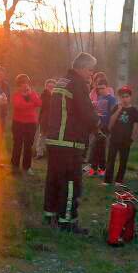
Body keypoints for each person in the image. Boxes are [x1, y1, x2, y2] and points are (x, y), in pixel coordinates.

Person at [43, 52, 99, 234]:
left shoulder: (62, 81)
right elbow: (87, 113)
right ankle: (67, 221)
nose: (91, 74)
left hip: (54, 140)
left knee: (53, 180)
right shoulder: (78, 84)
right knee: (70, 183)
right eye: (90, 70)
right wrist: (98, 123)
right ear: (81, 68)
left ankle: (50, 216)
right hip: (69, 142)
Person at [105, 86, 138, 185]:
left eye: (127, 96)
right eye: (122, 97)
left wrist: (132, 137)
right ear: (119, 98)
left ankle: (119, 180)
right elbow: (110, 124)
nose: (125, 99)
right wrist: (118, 110)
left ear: (130, 97)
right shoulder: (116, 107)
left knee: (123, 160)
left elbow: (135, 125)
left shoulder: (134, 110)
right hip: (114, 138)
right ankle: (107, 180)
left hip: (126, 139)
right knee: (111, 159)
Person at [10, 74, 42, 175]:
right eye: (22, 83)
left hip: (31, 123)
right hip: (18, 123)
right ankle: (15, 166)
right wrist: (31, 104)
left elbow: (39, 103)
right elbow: (19, 106)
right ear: (18, 85)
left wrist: (30, 95)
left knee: (28, 145)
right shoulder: (16, 95)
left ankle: (27, 167)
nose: (25, 85)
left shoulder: (32, 93)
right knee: (17, 145)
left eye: (26, 83)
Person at [88, 74, 116, 177]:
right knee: (96, 148)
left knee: (102, 149)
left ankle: (102, 169)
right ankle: (93, 168)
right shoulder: (98, 98)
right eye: (99, 89)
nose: (101, 90)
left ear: (107, 88)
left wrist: (110, 126)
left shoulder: (111, 99)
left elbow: (113, 113)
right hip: (97, 126)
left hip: (106, 127)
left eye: (103, 88)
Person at [35, 79, 56, 159]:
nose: (51, 88)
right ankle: (39, 153)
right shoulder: (44, 95)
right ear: (46, 87)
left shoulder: (57, 96)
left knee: (52, 137)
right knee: (42, 136)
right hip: (45, 118)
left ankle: (50, 153)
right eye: (49, 86)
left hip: (54, 119)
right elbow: (44, 105)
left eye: (53, 87)